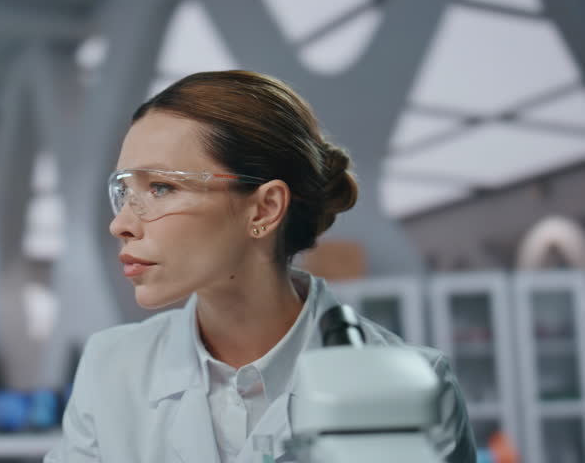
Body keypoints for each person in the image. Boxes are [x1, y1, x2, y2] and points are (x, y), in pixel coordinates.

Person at [45, 70, 476, 462]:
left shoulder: (416, 388)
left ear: (265, 208)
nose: (120, 224)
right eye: (125, 191)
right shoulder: (110, 367)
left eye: (161, 187)